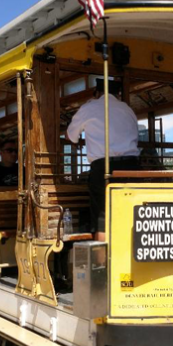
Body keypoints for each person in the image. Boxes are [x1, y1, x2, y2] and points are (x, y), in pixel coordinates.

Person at [67, 79, 140, 240]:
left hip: (104, 167)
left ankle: (103, 262)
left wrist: (79, 140)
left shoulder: (89, 107)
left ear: (97, 93)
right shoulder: (128, 109)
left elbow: (71, 136)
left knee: (102, 219)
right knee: (129, 215)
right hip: (132, 167)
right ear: (118, 94)